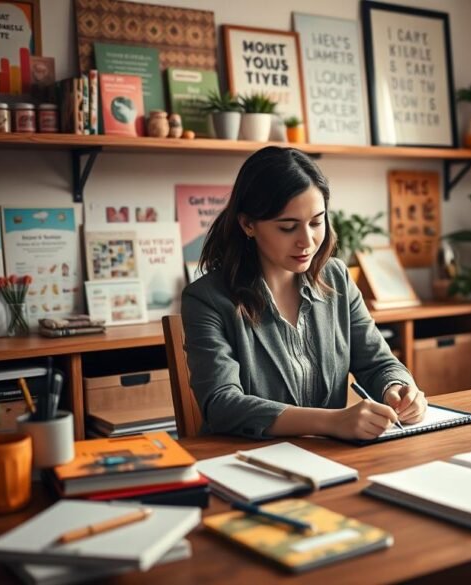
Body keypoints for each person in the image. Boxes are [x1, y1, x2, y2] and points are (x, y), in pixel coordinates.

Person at [181, 147, 428, 441]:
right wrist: (331, 422)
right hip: (249, 463)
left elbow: (378, 363)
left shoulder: (337, 278)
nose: (307, 241)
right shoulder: (206, 299)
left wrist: (398, 389)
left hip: (331, 460)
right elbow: (222, 404)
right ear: (248, 224)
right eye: (288, 227)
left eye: (316, 222)